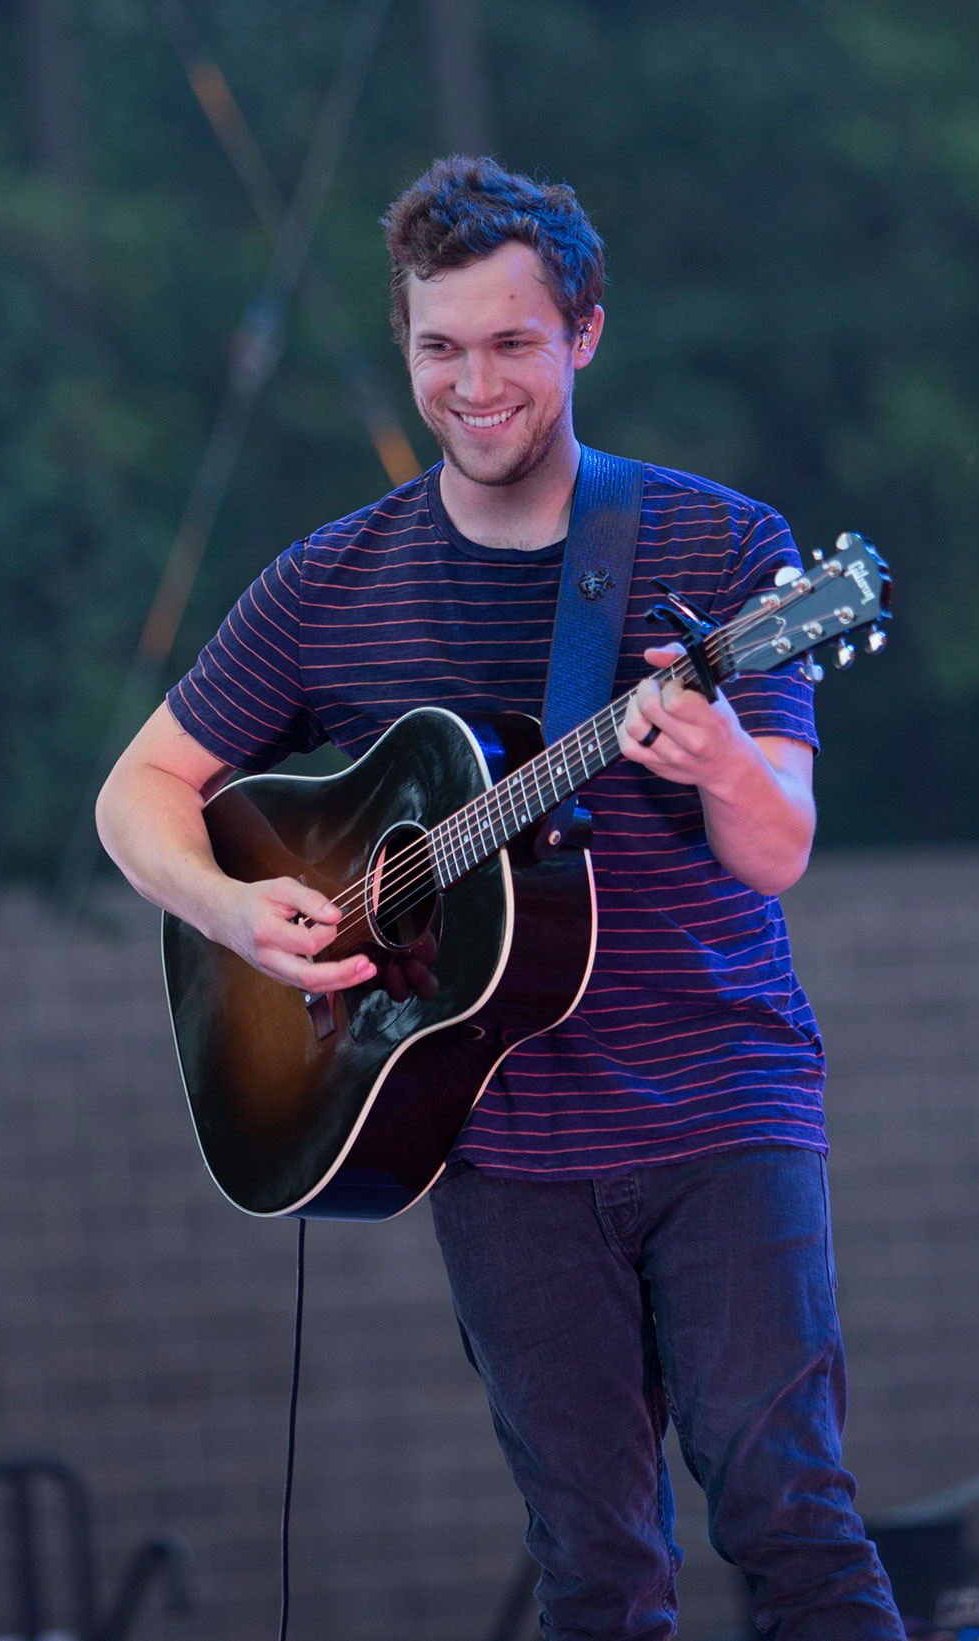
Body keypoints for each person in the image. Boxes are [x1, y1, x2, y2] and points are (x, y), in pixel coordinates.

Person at [96, 155, 903, 1640]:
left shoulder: (725, 549)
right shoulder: (327, 584)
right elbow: (136, 791)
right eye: (439, 347)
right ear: (406, 345)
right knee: (594, 1563)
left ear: (586, 332)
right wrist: (228, 909)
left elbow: (777, 845)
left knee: (787, 1508)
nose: (474, 384)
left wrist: (719, 756)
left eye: (512, 342)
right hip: (495, 1136)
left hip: (721, 1096)